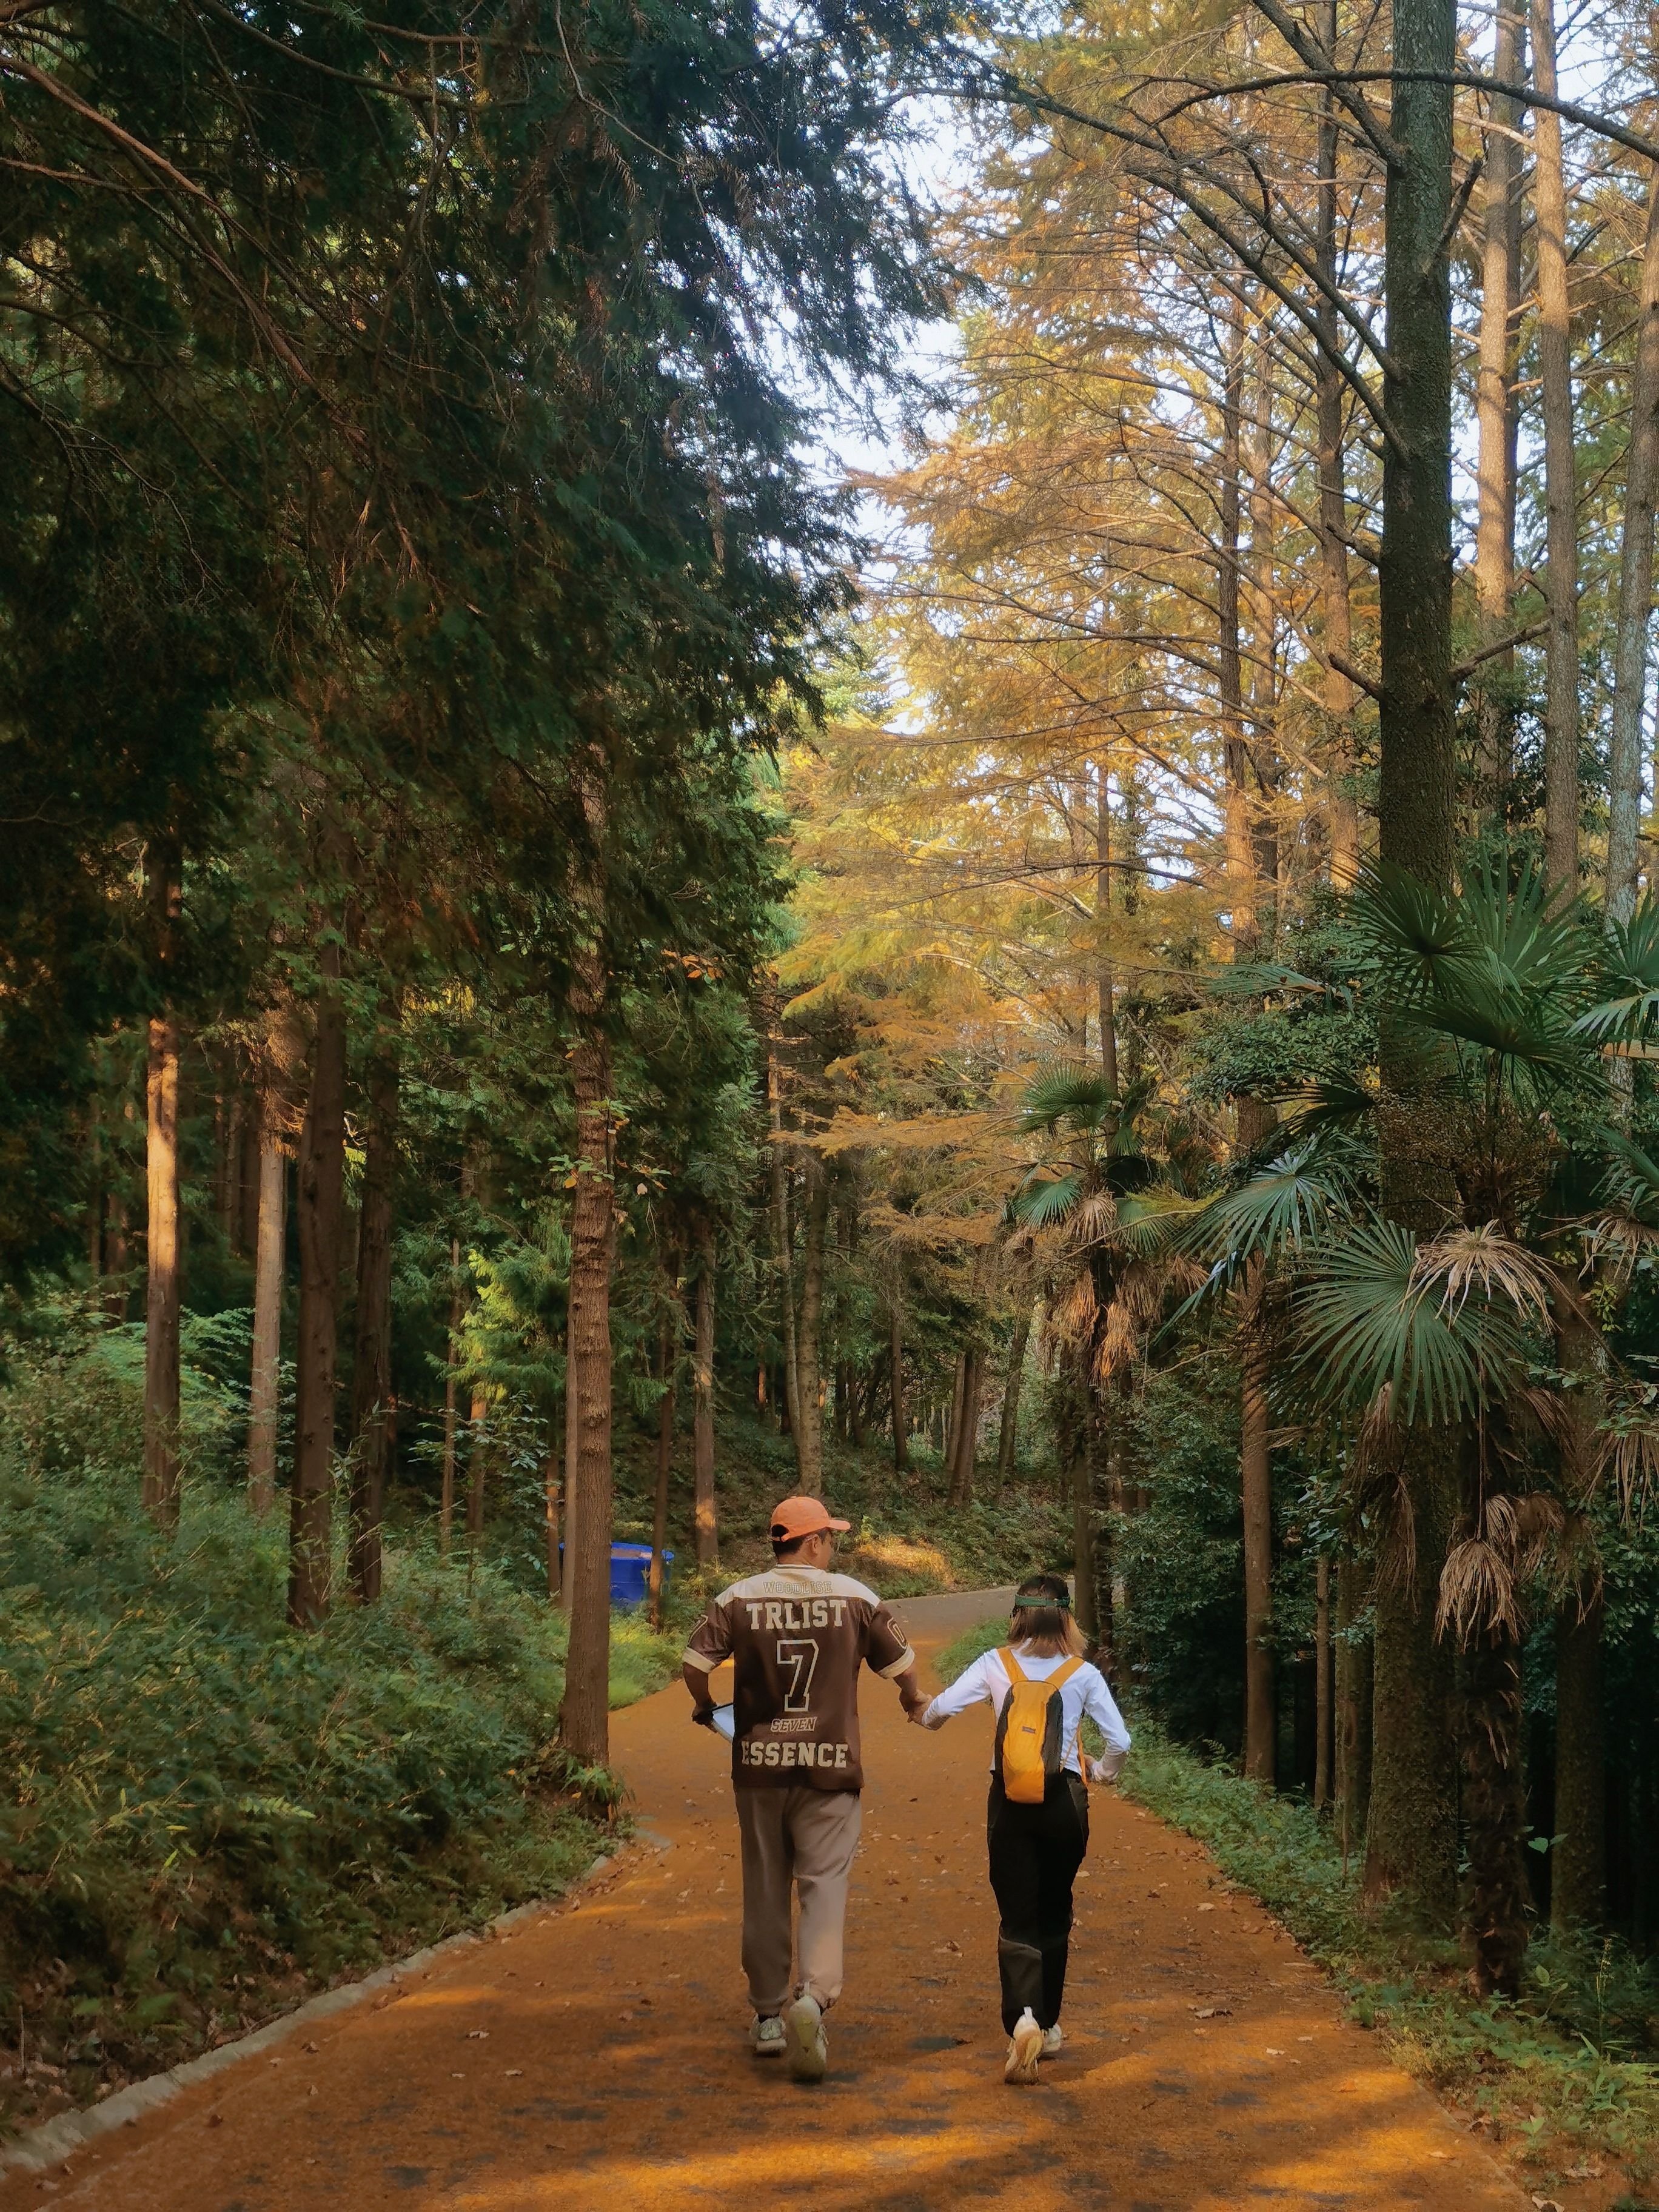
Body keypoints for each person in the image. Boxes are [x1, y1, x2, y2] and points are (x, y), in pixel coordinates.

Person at [682, 1494, 927, 2081]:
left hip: (759, 1769)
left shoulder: (737, 1599)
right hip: (830, 1768)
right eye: (830, 1538)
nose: (832, 1547)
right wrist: (912, 1699)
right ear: (813, 1542)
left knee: (765, 1885)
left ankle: (768, 2017)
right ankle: (814, 1998)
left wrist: (705, 1707)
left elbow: (694, 1664)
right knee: (824, 1886)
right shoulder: (856, 1598)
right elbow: (903, 1667)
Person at [917, 1572, 1130, 2085]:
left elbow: (939, 1710)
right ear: (1066, 1618)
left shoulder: (996, 1663)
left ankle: (1024, 2020)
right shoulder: (1082, 1673)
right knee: (1055, 1909)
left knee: (1017, 1915)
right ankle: (1048, 2024)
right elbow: (1120, 1741)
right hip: (1065, 1804)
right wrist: (1100, 1772)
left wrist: (920, 1712)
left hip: (1009, 1803)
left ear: (1017, 1615)